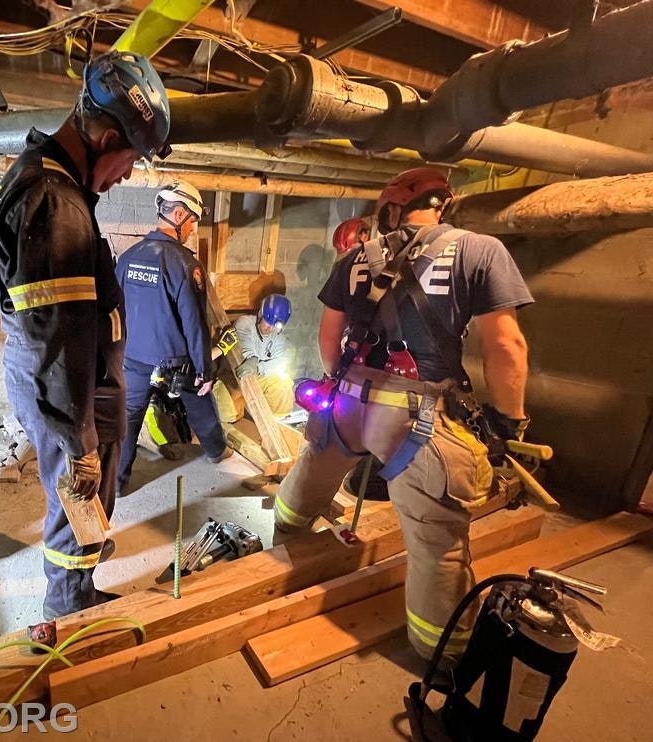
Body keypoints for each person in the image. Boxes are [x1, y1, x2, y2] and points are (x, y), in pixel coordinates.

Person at [274, 167, 533, 662]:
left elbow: (329, 340)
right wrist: (508, 425)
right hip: (418, 418)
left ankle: (283, 547)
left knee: (308, 480)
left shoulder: (355, 257)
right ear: (444, 204)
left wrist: (347, 389)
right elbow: (506, 345)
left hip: (348, 403)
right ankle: (441, 652)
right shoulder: (479, 251)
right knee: (439, 545)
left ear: (389, 209)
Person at [0, 51, 171, 620]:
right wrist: (80, 438)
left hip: (77, 391)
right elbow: (56, 343)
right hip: (75, 396)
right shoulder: (56, 204)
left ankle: (78, 595)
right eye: (130, 158)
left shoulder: (45, 182)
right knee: (78, 509)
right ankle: (68, 616)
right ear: (106, 134)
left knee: (83, 511)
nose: (129, 174)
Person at [115, 179, 231, 495]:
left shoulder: (127, 259)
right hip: (176, 364)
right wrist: (204, 371)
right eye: (193, 220)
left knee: (128, 420)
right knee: (201, 402)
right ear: (178, 215)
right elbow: (195, 324)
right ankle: (217, 451)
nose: (193, 228)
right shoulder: (186, 265)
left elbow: (116, 314)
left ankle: (117, 483)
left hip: (133, 359)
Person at [231, 293, 294, 416]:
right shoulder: (244, 323)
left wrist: (259, 367)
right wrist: (252, 360)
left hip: (258, 375)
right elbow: (244, 344)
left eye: (274, 325)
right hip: (234, 375)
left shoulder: (277, 335)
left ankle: (276, 423)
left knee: (283, 385)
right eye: (267, 321)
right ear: (260, 313)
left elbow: (282, 359)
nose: (269, 328)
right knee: (228, 412)